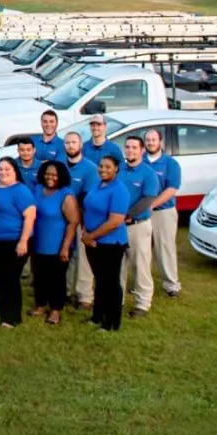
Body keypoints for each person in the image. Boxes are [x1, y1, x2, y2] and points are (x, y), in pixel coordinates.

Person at [80, 155, 132, 331]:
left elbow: (115, 221)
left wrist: (92, 236)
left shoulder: (119, 190)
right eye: (101, 166)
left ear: (117, 168)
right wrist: (86, 233)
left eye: (108, 167)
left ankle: (111, 323)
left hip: (111, 243)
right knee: (100, 281)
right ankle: (97, 317)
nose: (103, 169)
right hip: (93, 242)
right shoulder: (98, 184)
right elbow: (87, 209)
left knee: (110, 283)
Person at [0, 158, 37, 329]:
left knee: (11, 279)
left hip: (15, 240)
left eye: (7, 169)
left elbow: (30, 216)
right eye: (0, 169)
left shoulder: (21, 191)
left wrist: (23, 241)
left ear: (15, 171)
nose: (3, 172)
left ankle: (12, 316)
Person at [29, 160, 79, 325]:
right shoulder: (38, 190)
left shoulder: (66, 195)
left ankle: (56, 310)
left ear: (61, 176)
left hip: (57, 245)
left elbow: (73, 222)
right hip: (38, 243)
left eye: (54, 175)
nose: (50, 177)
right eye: (48, 174)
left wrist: (65, 247)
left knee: (56, 279)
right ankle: (41, 305)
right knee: (39, 277)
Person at [118, 137, 162, 319]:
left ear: (142, 150)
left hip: (137, 225)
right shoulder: (119, 170)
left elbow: (148, 199)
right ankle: (116, 300)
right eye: (127, 147)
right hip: (117, 226)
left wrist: (129, 214)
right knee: (117, 266)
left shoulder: (148, 174)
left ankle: (142, 303)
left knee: (140, 265)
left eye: (134, 148)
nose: (130, 151)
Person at [144, 129, 184, 299]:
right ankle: (143, 283)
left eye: (154, 140)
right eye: (147, 140)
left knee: (165, 248)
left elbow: (171, 189)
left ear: (160, 142)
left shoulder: (170, 164)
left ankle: (171, 284)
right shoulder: (140, 161)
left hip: (163, 212)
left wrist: (151, 205)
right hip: (142, 212)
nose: (150, 143)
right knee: (142, 250)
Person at [63, 131, 98, 311]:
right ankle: (68, 292)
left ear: (81, 145)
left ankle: (85, 296)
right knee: (65, 256)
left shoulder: (90, 168)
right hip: (61, 219)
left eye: (74, 142)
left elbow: (88, 197)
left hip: (81, 217)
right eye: (67, 143)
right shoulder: (60, 165)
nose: (70, 146)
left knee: (82, 257)